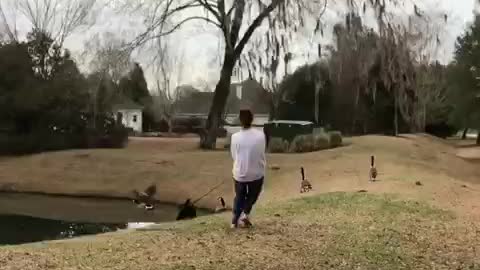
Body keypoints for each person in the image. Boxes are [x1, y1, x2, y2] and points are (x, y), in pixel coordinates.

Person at [230, 109, 266, 229]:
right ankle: (245, 213)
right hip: (256, 173)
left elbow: (234, 155)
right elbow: (261, 152)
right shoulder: (261, 135)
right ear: (252, 119)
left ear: (240, 121)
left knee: (239, 196)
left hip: (239, 173)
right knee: (252, 195)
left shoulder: (235, 137)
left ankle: (235, 220)